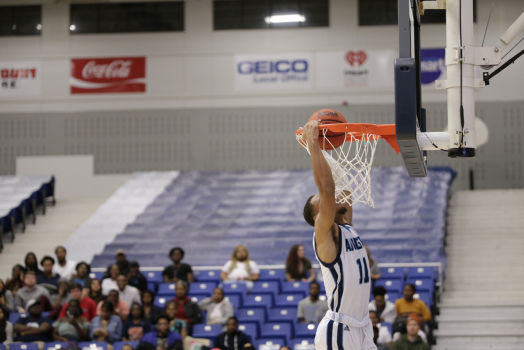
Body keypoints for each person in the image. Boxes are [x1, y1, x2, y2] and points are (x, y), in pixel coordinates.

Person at [300, 120, 374, 350]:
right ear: (318, 217)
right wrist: (312, 144)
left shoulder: (347, 227)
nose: (332, 200)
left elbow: (343, 190)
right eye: (322, 204)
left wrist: (324, 148)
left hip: (361, 326)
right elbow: (328, 189)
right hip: (339, 329)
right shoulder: (325, 234)